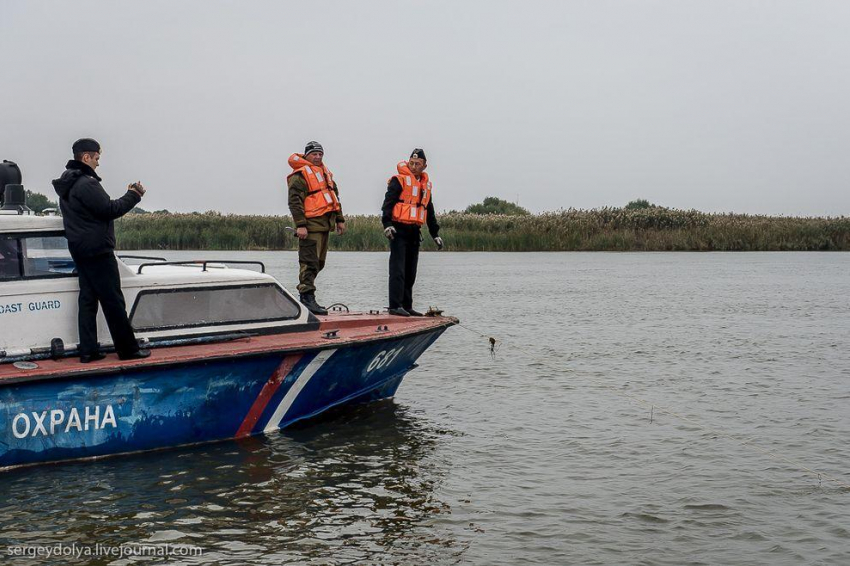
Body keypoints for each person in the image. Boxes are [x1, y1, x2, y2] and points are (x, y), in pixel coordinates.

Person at [52, 138, 150, 363]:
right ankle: (128, 350)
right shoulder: (86, 183)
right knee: (113, 300)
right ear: (86, 157)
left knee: (88, 299)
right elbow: (109, 209)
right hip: (97, 250)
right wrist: (134, 194)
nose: (98, 163)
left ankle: (88, 350)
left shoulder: (68, 185)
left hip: (79, 249)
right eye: (97, 158)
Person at [381, 148, 443, 316]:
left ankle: (407, 305)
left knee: (410, 272)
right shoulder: (398, 180)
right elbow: (387, 204)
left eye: (418, 164)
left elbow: (429, 210)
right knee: (398, 270)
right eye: (412, 163)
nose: (414, 166)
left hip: (414, 232)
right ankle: (395, 305)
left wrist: (435, 234)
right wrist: (387, 224)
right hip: (398, 230)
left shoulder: (425, 186)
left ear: (424, 166)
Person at [287, 141, 345, 315]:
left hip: (325, 225)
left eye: (320, 154)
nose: (318, 157)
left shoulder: (325, 175)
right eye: (314, 154)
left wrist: (340, 219)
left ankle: (309, 297)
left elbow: (334, 198)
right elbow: (295, 202)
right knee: (309, 262)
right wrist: (301, 225)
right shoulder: (300, 176)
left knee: (319, 263)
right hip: (310, 226)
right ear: (306, 155)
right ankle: (306, 298)